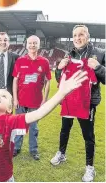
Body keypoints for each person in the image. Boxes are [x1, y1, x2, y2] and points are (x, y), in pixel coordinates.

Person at [51, 25, 105, 182]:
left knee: (88, 135)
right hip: (69, 100)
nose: (77, 38)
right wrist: (59, 69)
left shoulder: (100, 54)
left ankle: (90, 167)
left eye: (81, 35)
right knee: (64, 130)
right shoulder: (69, 54)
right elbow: (60, 80)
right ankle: (61, 154)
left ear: (88, 36)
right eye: (75, 35)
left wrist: (99, 67)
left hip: (87, 102)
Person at [12, 35, 51, 160]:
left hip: (36, 102)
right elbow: (15, 80)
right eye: (30, 43)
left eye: (35, 43)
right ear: (26, 45)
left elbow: (48, 81)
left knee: (34, 127)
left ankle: (33, 150)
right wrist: (15, 99)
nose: (32, 45)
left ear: (38, 45)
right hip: (21, 101)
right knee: (19, 126)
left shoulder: (44, 62)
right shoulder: (20, 60)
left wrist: (45, 99)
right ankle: (16, 148)